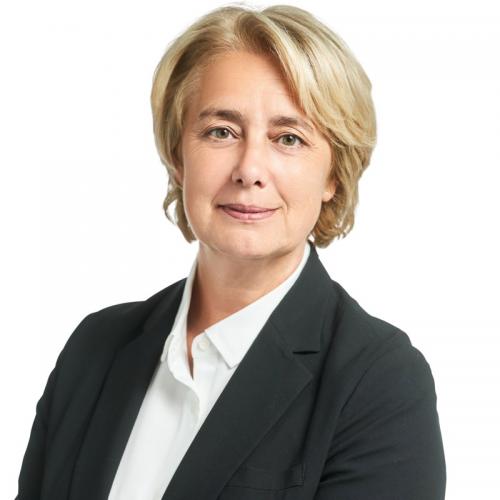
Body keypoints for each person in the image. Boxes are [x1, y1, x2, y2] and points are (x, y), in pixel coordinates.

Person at [16, 4, 446, 499]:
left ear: (333, 173)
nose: (249, 170)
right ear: (178, 155)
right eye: (221, 131)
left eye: (289, 138)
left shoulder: (380, 383)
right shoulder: (94, 349)